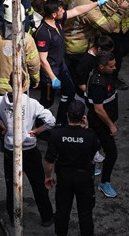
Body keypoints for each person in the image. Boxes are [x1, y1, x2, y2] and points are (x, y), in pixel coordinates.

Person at [0, 76, 56, 227]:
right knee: (38, 184)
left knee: (11, 185)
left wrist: (0, 122)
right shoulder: (32, 103)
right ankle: (46, 217)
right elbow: (51, 121)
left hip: (10, 149)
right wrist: (37, 131)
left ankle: (14, 218)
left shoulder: (0, 101)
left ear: (9, 83)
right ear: (25, 83)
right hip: (29, 149)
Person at [44, 100, 100, 236]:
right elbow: (94, 153)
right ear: (83, 117)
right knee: (85, 213)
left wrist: (48, 176)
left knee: (62, 212)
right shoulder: (90, 135)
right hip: (84, 178)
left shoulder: (57, 134)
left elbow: (49, 160)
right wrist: (86, 128)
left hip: (64, 178)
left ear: (67, 115)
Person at [0, 0, 41, 97]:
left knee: (0, 107)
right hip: (21, 86)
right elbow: (33, 63)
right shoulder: (27, 39)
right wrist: (36, 79)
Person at [63, 0, 117, 78]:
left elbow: (64, 4)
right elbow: (107, 28)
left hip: (67, 36)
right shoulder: (90, 10)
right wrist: (120, 12)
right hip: (78, 46)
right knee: (79, 74)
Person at [86, 51, 119, 198]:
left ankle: (91, 167)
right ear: (101, 66)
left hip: (101, 121)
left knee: (94, 146)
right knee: (111, 153)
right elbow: (98, 109)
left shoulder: (105, 76)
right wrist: (111, 125)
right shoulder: (98, 84)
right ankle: (105, 182)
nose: (114, 68)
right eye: (111, 66)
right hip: (100, 124)